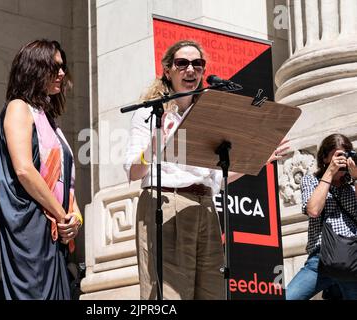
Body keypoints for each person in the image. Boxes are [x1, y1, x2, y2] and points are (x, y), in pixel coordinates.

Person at [124, 39, 287, 300]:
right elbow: (133, 172)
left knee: (212, 293)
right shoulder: (151, 112)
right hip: (167, 202)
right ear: (168, 70)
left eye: (197, 64)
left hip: (206, 206)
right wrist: (154, 147)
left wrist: (258, 160)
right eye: (182, 63)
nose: (191, 69)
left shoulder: (209, 113)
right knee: (170, 295)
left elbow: (217, 179)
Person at [0, 39, 83, 300]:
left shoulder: (49, 120)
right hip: (31, 229)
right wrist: (60, 215)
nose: (61, 73)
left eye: (62, 67)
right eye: (53, 66)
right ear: (33, 68)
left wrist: (75, 219)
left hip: (55, 232)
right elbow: (24, 170)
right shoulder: (18, 108)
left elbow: (64, 181)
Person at [285, 133, 357, 300]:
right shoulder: (311, 181)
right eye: (337, 156)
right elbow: (314, 210)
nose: (342, 160)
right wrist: (330, 173)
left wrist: (355, 177)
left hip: (353, 260)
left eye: (345, 155)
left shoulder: (352, 183)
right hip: (320, 259)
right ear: (325, 158)